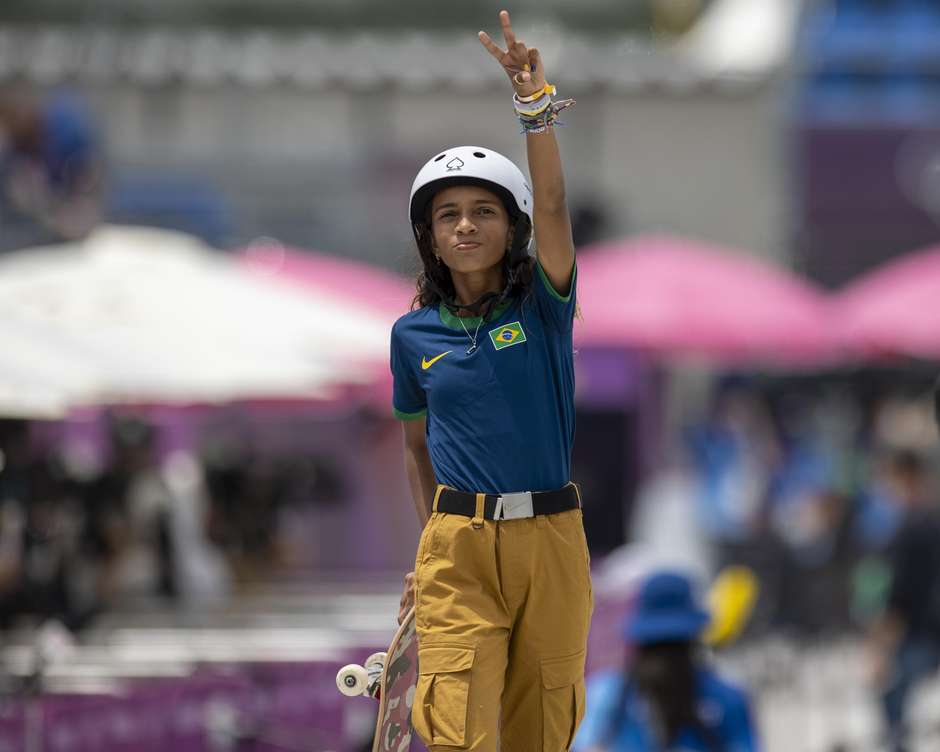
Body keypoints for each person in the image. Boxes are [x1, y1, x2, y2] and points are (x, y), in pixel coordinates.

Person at [389, 10, 591, 751]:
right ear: (430, 236)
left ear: (513, 228)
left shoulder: (545, 308)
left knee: (541, 728)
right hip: (458, 549)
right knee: (456, 735)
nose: (466, 227)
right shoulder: (412, 337)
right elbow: (416, 451)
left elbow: (560, 207)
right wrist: (425, 553)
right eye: (449, 216)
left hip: (551, 543)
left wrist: (533, 109)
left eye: (484, 212)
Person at [573, 571, 759, 752]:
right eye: (657, 648)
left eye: (672, 648)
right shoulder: (609, 697)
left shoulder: (724, 701)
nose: (664, 663)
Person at [866, 448, 940, 752]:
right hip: (925, 632)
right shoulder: (926, 520)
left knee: (890, 695)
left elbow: (899, 595)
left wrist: (880, 649)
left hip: (922, 635)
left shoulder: (911, 527)